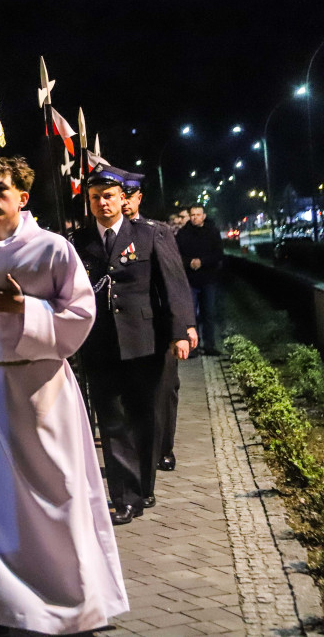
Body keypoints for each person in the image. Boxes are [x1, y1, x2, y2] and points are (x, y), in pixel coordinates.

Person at [0, 156, 127, 636]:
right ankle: (4, 606)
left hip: (42, 389)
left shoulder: (53, 249)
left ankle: (76, 604)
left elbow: (80, 314)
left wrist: (26, 308)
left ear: (22, 197)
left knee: (59, 495)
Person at [73, 164, 192, 525]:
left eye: (109, 196)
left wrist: (180, 330)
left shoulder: (149, 235)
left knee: (144, 416)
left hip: (144, 341)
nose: (102, 203)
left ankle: (144, 485)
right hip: (99, 344)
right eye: (95, 197)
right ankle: (125, 497)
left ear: (122, 198)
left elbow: (172, 285)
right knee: (112, 420)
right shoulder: (78, 242)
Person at [121, 178, 198, 473]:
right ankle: (140, 449)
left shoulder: (157, 232)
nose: (124, 202)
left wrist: (184, 327)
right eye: (120, 196)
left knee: (163, 392)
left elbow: (175, 283)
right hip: (127, 329)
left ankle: (164, 448)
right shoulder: (107, 236)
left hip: (160, 326)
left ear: (139, 198)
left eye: (129, 196)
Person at [176, 204, 224, 356]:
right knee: (191, 316)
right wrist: (189, 262)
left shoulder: (212, 232)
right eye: (192, 215)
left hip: (208, 279)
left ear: (203, 216)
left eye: (198, 214)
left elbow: (218, 254)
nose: (195, 217)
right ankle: (193, 347)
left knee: (208, 313)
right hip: (190, 280)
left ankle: (209, 346)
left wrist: (202, 262)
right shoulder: (182, 234)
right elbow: (176, 255)